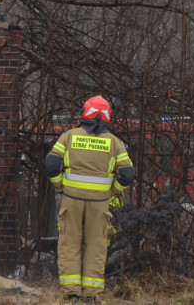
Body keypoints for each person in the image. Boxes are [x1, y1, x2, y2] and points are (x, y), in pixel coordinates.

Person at [45, 96, 136, 304]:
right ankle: (92, 294)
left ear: (85, 113)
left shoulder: (69, 137)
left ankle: (72, 293)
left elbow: (51, 164)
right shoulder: (114, 143)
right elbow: (128, 174)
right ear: (107, 117)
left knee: (69, 244)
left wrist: (60, 184)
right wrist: (113, 190)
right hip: (100, 203)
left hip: (72, 200)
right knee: (96, 245)